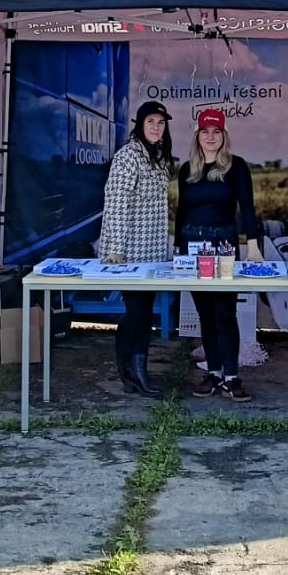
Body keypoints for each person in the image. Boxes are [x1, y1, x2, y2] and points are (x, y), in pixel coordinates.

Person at [176, 107, 264, 402]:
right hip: (192, 246)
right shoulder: (187, 170)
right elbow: (182, 211)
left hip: (224, 245)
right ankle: (213, 372)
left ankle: (231, 377)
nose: (210, 137)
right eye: (205, 132)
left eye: (216, 132)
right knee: (205, 313)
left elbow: (247, 207)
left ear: (224, 135)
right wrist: (178, 250)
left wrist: (253, 245)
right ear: (197, 136)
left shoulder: (236, 166)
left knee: (225, 312)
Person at [98, 99, 173, 398]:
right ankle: (132, 372)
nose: (156, 127)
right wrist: (116, 249)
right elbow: (116, 203)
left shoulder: (159, 157)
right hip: (129, 253)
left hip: (152, 252)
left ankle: (133, 373)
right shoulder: (128, 156)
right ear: (140, 125)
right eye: (150, 122)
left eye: (161, 123)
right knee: (137, 313)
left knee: (142, 312)